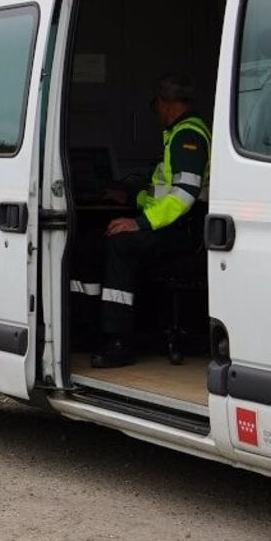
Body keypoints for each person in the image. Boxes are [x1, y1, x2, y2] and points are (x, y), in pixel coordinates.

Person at [88, 74, 210, 369]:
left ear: (166, 102)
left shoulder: (187, 136)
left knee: (119, 245)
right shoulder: (177, 134)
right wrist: (131, 198)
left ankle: (119, 341)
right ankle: (94, 328)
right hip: (172, 224)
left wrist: (139, 223)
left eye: (154, 104)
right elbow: (161, 194)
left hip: (185, 231)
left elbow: (184, 195)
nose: (154, 111)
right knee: (102, 240)